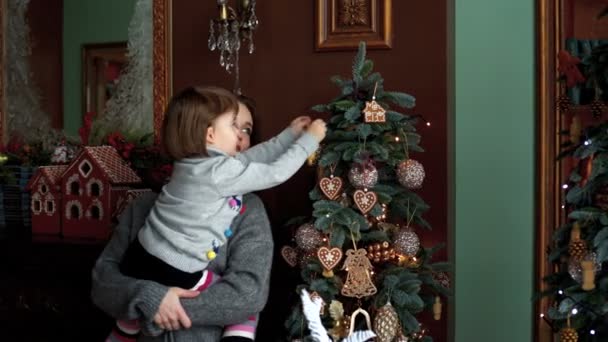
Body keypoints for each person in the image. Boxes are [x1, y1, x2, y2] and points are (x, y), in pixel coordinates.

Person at [96, 86, 326, 342]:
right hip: (179, 275)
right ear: (210, 135)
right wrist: (308, 141)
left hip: (145, 264)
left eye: (246, 130)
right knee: (244, 316)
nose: (240, 137)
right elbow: (102, 282)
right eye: (234, 126)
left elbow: (248, 294)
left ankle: (124, 329)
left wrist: (155, 306)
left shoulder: (228, 194)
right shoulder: (145, 204)